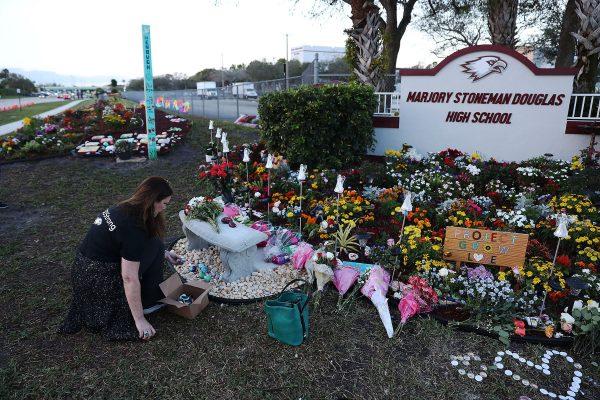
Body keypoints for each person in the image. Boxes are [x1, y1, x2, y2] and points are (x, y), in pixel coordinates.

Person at [60, 176, 184, 341]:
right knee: (154, 246)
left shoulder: (124, 208)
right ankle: (147, 302)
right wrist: (139, 320)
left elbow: (130, 243)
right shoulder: (134, 228)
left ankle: (150, 293)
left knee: (156, 244)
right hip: (98, 279)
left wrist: (165, 253)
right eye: (165, 204)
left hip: (83, 269)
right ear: (153, 200)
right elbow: (129, 277)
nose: (164, 208)